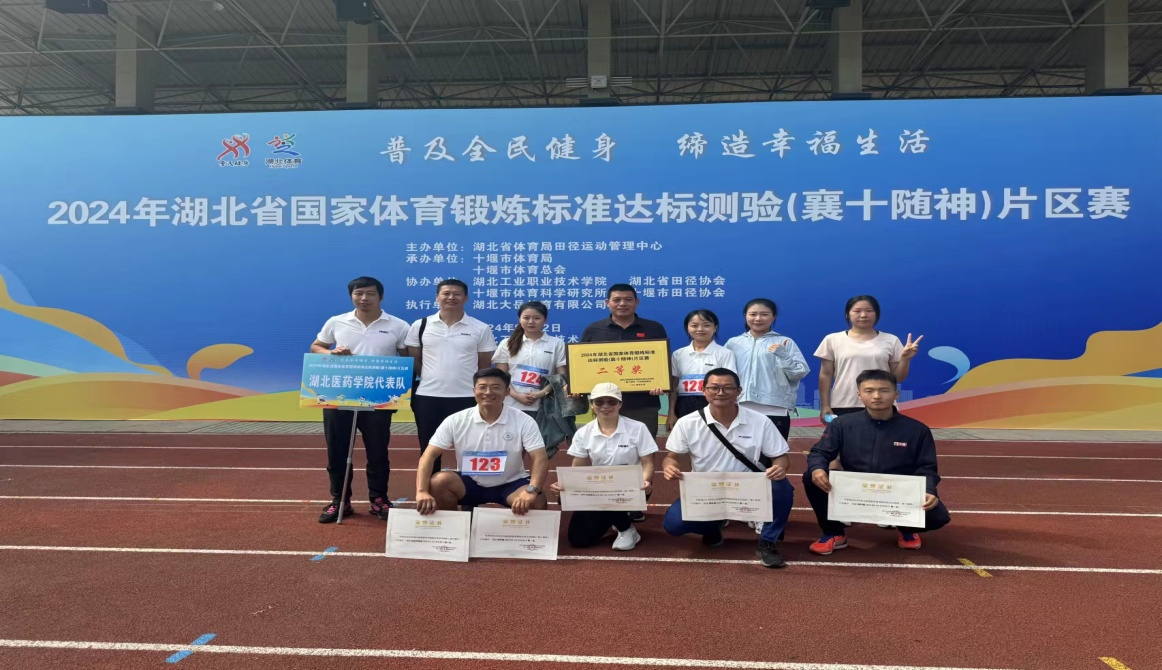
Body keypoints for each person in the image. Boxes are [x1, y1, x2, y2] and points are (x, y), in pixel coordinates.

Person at [803, 369, 950, 554]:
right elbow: (820, 452)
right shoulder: (842, 424)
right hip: (856, 488)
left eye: (884, 390)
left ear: (896, 394)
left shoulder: (917, 430)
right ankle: (833, 533)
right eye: (869, 391)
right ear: (859, 395)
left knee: (937, 516)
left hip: (897, 491)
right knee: (811, 477)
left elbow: (927, 467)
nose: (877, 396)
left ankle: (907, 528)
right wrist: (817, 468)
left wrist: (928, 490)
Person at [661, 368, 795, 569]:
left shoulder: (760, 421)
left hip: (749, 486)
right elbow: (670, 457)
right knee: (673, 524)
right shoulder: (687, 423)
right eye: (714, 388)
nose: (721, 393)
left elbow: (780, 457)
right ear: (703, 390)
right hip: (708, 488)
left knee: (781, 487)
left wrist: (779, 468)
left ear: (738, 391)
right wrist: (670, 467)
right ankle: (712, 527)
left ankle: (767, 541)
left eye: (728, 388)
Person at [309, 276, 410, 523]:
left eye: (370, 294)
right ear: (351, 296)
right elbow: (316, 347)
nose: (364, 298)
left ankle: (379, 499)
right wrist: (331, 352)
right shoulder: (337, 321)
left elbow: (406, 358)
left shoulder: (398, 325)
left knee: (377, 452)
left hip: (378, 398)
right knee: (337, 451)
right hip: (339, 397)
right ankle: (340, 501)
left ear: (381, 297)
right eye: (359, 293)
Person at [415, 368, 549, 515]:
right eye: (482, 387)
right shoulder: (455, 420)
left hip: (511, 483)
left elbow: (540, 458)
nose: (488, 392)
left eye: (495, 387)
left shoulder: (523, 420)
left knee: (537, 500)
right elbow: (428, 456)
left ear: (507, 391)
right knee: (438, 482)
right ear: (474, 391)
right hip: (469, 483)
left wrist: (531, 490)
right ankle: (454, 526)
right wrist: (421, 491)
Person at [406, 279, 496, 476]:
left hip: (467, 397)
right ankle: (428, 490)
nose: (451, 297)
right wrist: (433, 377)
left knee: (470, 449)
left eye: (456, 294)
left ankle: (472, 491)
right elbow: (415, 360)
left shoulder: (480, 328)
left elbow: (484, 365)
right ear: (437, 297)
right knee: (429, 448)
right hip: (427, 397)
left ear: (466, 298)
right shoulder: (421, 325)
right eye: (446, 293)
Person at [550, 383, 655, 551]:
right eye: (599, 402)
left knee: (609, 497)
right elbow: (578, 466)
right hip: (599, 489)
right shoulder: (584, 432)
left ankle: (626, 529)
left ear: (620, 404)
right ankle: (613, 519)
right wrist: (565, 484)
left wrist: (646, 482)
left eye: (612, 402)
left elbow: (648, 462)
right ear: (592, 405)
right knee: (578, 539)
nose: (605, 406)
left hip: (631, 488)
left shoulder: (638, 428)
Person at [815, 295, 922, 424]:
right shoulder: (833, 339)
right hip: (843, 404)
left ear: (876, 314)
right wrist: (825, 405)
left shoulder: (891, 340)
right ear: (847, 314)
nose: (863, 315)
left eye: (869, 311)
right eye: (857, 311)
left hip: (881, 404)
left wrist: (905, 359)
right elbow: (825, 375)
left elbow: (898, 378)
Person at [580, 284, 668, 438]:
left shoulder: (654, 328)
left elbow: (662, 363)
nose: (622, 304)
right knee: (605, 445)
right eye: (617, 300)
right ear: (607, 303)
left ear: (636, 302)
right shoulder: (594, 330)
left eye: (628, 299)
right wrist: (577, 385)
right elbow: (583, 364)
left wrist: (661, 382)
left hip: (643, 403)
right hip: (605, 403)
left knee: (644, 447)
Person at [724, 298, 810, 441]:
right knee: (739, 452)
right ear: (745, 316)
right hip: (739, 407)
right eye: (753, 314)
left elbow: (798, 373)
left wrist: (783, 356)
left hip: (775, 409)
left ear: (773, 317)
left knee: (773, 453)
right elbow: (723, 375)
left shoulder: (785, 342)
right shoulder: (733, 343)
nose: (758, 318)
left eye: (764, 314)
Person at [492, 301, 567, 419]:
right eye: (526, 318)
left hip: (545, 407)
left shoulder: (556, 343)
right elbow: (500, 376)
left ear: (545, 320)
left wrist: (542, 393)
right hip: (511, 404)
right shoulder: (506, 343)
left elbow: (561, 375)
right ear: (519, 319)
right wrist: (517, 395)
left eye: (537, 318)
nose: (531, 322)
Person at [666, 309, 736, 433]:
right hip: (683, 406)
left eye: (706, 325)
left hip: (714, 405)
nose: (700, 329)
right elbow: (674, 387)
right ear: (687, 328)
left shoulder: (725, 354)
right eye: (694, 325)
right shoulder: (678, 354)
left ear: (715, 327)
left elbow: (729, 385)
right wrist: (671, 413)